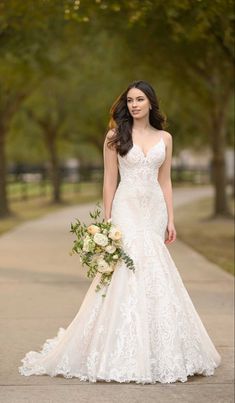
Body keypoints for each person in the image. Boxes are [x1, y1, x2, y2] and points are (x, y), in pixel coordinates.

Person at [19, 80, 221, 384]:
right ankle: (116, 348)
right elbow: (109, 180)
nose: (134, 105)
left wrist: (171, 218)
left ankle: (162, 348)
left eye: (140, 99)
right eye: (130, 100)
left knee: (154, 269)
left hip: (153, 209)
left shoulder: (165, 138)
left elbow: (165, 181)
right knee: (126, 270)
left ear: (151, 103)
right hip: (126, 208)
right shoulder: (115, 137)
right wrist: (108, 218)